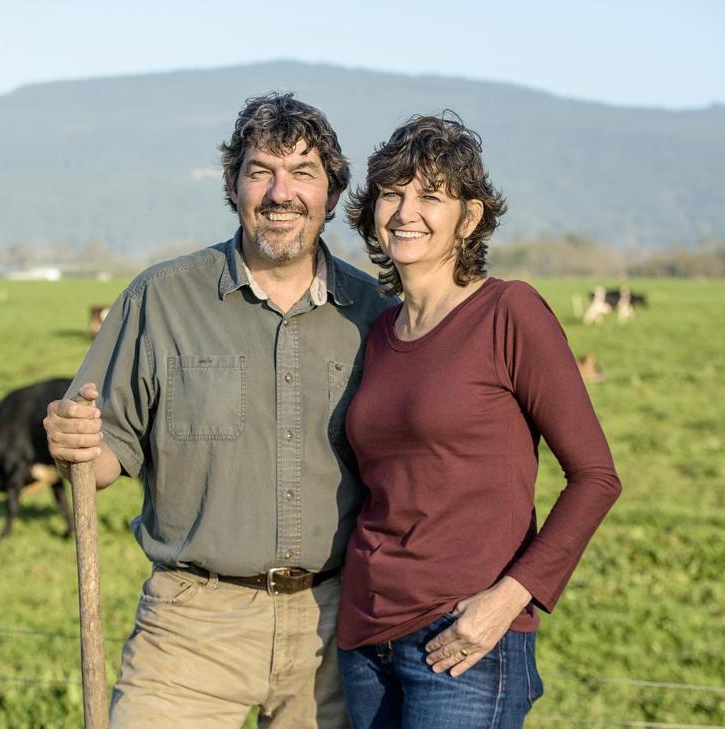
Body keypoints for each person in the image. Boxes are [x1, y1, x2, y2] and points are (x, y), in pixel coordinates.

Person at [44, 92, 392, 728]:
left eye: (303, 173)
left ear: (332, 196)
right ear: (233, 186)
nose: (280, 192)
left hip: (336, 629)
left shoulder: (377, 316)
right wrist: (75, 442)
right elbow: (104, 454)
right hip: (190, 627)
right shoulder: (161, 299)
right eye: (260, 171)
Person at [336, 113, 622, 728]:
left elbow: (596, 477)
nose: (405, 210)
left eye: (430, 195)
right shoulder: (382, 330)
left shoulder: (507, 312)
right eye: (392, 192)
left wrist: (507, 601)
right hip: (366, 640)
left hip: (466, 641)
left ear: (469, 218)